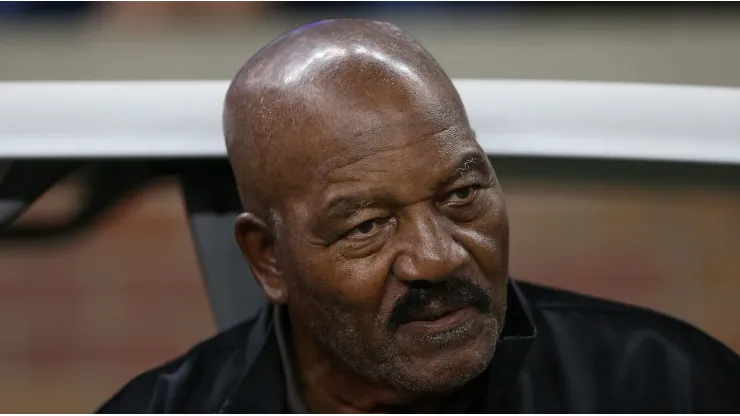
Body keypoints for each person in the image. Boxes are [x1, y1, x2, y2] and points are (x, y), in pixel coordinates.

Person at [98, 19, 740, 413]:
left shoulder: (667, 388)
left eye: (461, 195)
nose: (438, 257)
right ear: (269, 259)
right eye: (366, 226)